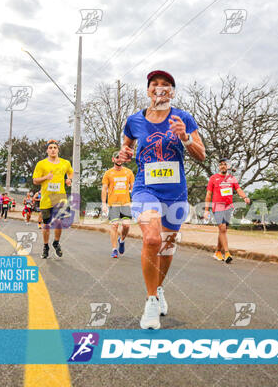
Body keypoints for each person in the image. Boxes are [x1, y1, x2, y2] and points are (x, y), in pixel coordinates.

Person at [119, 70, 205, 329]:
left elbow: (201, 155)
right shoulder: (134, 120)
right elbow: (127, 148)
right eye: (155, 84)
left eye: (166, 85)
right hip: (146, 188)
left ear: (172, 91)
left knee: (167, 245)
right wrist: (123, 155)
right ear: (148, 91)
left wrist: (185, 137)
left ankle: (158, 287)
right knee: (152, 238)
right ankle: (151, 300)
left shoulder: (184, 118)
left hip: (175, 191)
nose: (160, 88)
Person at [32, 139, 74, 259]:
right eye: (50, 148)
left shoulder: (65, 163)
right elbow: (35, 180)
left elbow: (71, 172)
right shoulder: (41, 164)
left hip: (60, 197)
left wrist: (69, 179)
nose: (53, 150)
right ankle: (46, 246)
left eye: (55, 147)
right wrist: (46, 177)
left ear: (58, 150)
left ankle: (56, 242)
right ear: (47, 150)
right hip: (46, 199)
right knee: (46, 226)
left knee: (59, 222)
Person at [204, 158, 250, 263]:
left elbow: (238, 189)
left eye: (225, 164)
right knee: (223, 229)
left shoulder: (232, 179)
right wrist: (206, 210)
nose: (222, 166)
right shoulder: (213, 178)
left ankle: (217, 252)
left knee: (223, 231)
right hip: (217, 206)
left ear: (228, 166)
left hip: (228, 207)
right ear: (219, 167)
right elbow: (208, 195)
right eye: (221, 164)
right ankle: (227, 253)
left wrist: (245, 197)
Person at [102, 151, 135, 258]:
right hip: (113, 204)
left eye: (121, 158)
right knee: (114, 225)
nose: (119, 160)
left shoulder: (129, 172)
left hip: (125, 203)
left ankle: (122, 239)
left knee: (126, 226)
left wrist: (134, 201)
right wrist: (104, 204)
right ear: (113, 159)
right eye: (117, 158)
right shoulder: (108, 173)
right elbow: (104, 188)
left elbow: (132, 187)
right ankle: (114, 249)